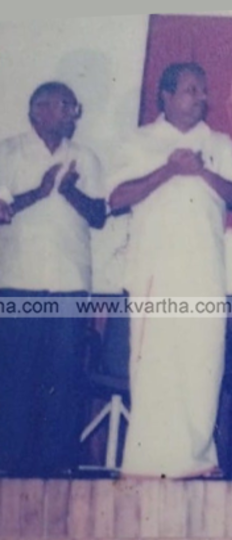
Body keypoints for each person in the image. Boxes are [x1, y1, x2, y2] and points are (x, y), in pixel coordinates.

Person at [108, 62, 232, 479]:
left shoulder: (220, 144)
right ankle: (145, 464)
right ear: (166, 96)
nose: (200, 97)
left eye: (203, 90)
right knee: (155, 367)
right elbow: (117, 198)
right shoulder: (140, 142)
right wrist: (169, 170)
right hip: (154, 272)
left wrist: (201, 171)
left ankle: (198, 459)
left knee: (202, 365)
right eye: (191, 89)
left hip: (204, 273)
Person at [0, 82, 106, 477]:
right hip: (18, 282)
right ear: (37, 110)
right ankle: (8, 469)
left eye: (75, 107)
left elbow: (98, 216)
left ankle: (57, 471)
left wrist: (71, 191)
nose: (72, 114)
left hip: (69, 283)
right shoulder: (7, 152)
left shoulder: (85, 158)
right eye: (65, 106)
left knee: (64, 382)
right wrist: (41, 192)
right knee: (14, 380)